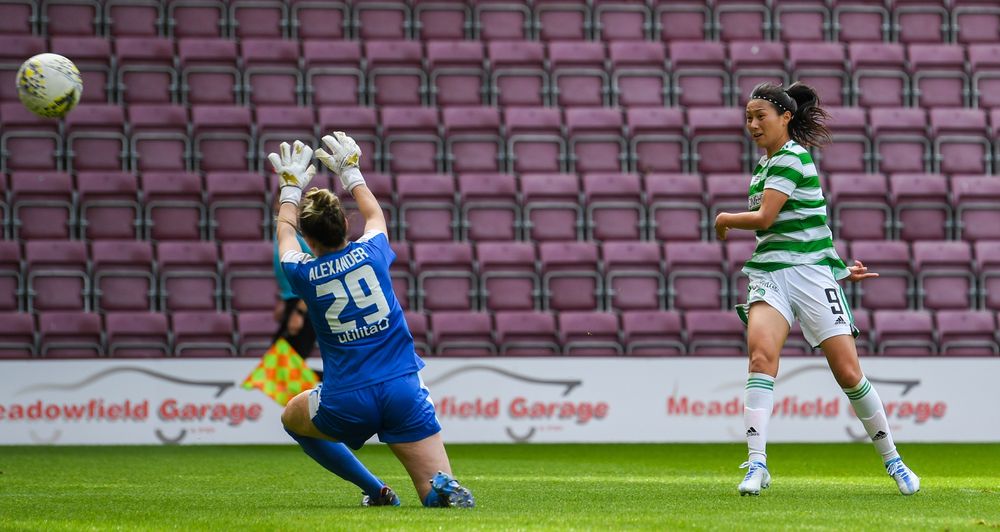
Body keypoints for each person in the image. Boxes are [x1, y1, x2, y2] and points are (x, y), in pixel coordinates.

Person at [714, 81, 920, 496]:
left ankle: (894, 461)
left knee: (848, 373)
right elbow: (802, 229)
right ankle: (757, 464)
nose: (752, 124)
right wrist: (841, 267)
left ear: (785, 118)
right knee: (760, 359)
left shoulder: (792, 158)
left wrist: (724, 219)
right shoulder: (765, 165)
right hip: (771, 276)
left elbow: (767, 219)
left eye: (761, 117)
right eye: (748, 117)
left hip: (810, 279)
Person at [268, 133, 475, 508]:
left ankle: (376, 490)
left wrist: (290, 189)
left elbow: (284, 236)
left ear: (308, 240)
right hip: (403, 391)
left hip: (346, 400)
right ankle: (440, 490)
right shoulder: (372, 252)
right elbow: (375, 216)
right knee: (434, 492)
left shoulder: (304, 273)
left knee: (290, 417)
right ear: (345, 226)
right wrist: (351, 173)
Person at [272, 232, 319, 370]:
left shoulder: (303, 236)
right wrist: (283, 298)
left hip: (303, 304)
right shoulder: (287, 232)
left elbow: (315, 277)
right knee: (285, 366)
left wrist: (299, 312)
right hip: (293, 301)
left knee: (281, 366)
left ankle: (332, 384)